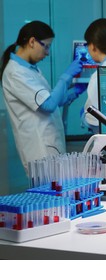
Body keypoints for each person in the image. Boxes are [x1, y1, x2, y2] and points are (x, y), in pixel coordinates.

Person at [0, 20, 84, 176]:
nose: (47, 52)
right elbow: (49, 105)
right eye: (46, 46)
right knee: (50, 196)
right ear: (32, 41)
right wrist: (65, 77)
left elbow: (52, 100)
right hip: (39, 151)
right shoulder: (15, 72)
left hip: (50, 147)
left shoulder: (32, 69)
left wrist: (76, 91)